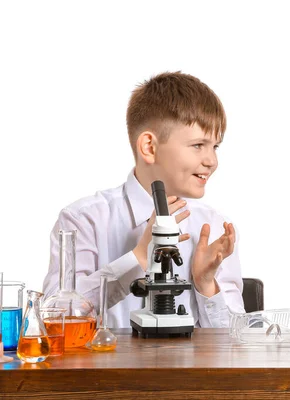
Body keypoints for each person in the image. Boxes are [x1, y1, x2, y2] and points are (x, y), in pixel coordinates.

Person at [42, 71, 245, 328]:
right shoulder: (83, 220)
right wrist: (137, 258)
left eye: (215, 147)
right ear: (149, 147)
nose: (212, 161)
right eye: (198, 145)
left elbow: (236, 341)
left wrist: (206, 283)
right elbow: (55, 317)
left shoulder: (214, 226)